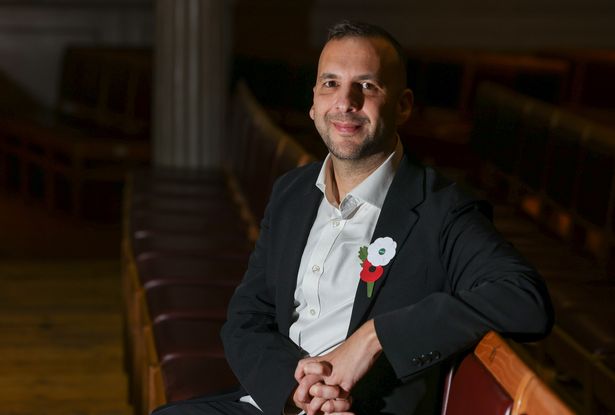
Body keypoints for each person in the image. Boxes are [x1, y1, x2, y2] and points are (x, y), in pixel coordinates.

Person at [153, 20, 553, 415]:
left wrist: (374, 338)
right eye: (330, 83)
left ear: (403, 105)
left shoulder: (440, 209)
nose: (345, 102)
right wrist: (294, 393)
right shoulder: (291, 192)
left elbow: (525, 300)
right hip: (278, 403)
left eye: (367, 86)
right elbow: (246, 318)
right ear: (313, 102)